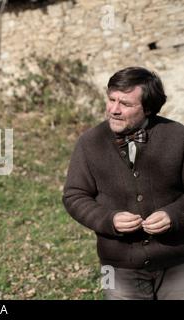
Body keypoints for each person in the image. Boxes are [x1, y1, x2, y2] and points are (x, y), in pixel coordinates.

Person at [63, 66, 184, 299]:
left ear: (148, 108)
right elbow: (74, 195)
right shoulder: (89, 142)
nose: (114, 110)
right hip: (117, 267)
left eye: (126, 104)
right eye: (111, 100)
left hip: (178, 261)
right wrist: (109, 220)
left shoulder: (178, 137)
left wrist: (174, 215)